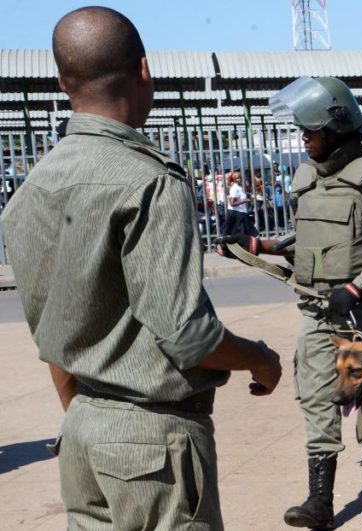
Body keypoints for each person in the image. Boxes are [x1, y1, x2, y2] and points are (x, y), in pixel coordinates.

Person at [0, 7, 282, 530]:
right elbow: (187, 334)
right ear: (144, 70)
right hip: (154, 439)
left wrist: (86, 415)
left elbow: (55, 328)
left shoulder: (33, 188)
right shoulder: (150, 182)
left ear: (63, 82)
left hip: (82, 429)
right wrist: (261, 359)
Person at [229, 76, 362, 529]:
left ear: (335, 128)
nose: (303, 139)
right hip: (315, 310)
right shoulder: (306, 176)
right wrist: (263, 246)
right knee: (316, 397)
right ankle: (320, 502)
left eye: (309, 131)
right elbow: (310, 241)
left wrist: (357, 287)